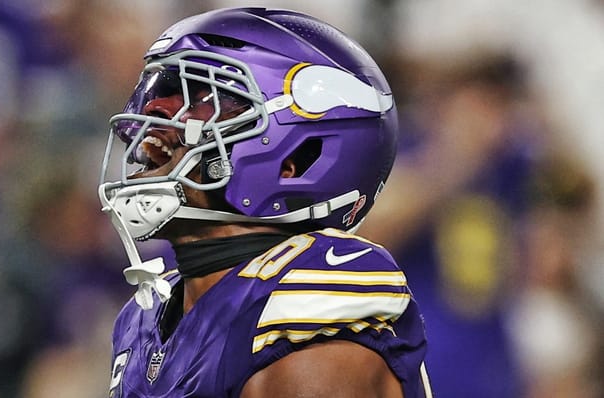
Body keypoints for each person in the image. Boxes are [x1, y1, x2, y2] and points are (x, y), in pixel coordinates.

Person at [97, 7, 431, 397]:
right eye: (159, 95)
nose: (153, 113)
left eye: (203, 100)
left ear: (295, 161)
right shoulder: (149, 318)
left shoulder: (304, 317)